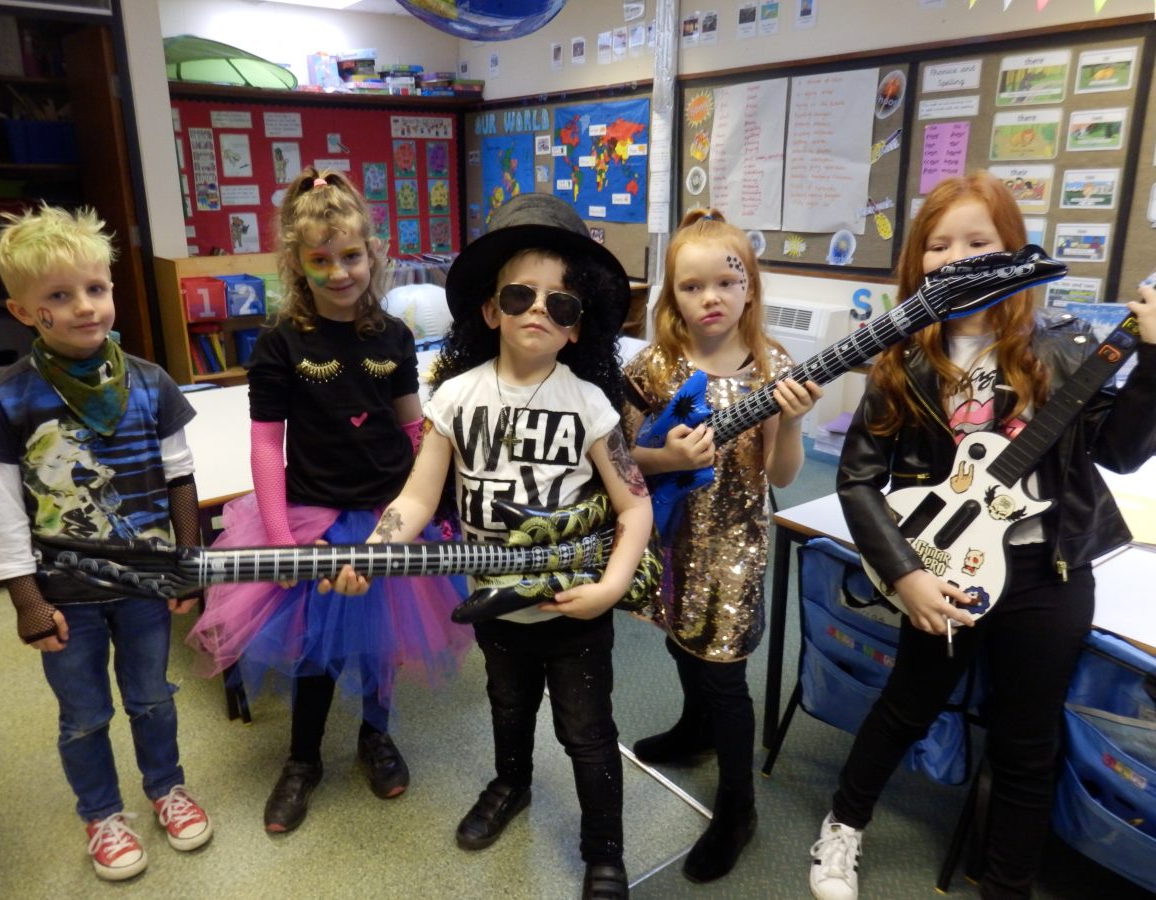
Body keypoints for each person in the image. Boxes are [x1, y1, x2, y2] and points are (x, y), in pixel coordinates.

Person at [807, 171, 1156, 900]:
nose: (957, 257)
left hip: (1048, 572)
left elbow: (1121, 453)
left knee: (1028, 741)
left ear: (1015, 251)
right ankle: (843, 823)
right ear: (918, 260)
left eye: (978, 242)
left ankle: (1007, 884)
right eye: (939, 245)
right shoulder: (903, 361)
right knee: (907, 706)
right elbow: (857, 481)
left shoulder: (1065, 347)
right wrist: (906, 575)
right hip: (941, 568)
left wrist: (1154, 361)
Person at [337, 192, 653, 900]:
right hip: (493, 603)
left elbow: (635, 505)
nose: (539, 309)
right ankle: (511, 784)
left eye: (560, 302)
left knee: (587, 733)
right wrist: (375, 550)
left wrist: (609, 589)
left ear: (577, 326)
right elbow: (417, 498)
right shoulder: (452, 398)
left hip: (576, 609)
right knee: (507, 707)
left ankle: (604, 850)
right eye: (519, 295)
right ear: (489, 310)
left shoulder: (590, 404)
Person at [186, 168, 471, 834]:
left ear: (373, 253)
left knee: (381, 640)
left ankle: (376, 734)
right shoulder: (281, 344)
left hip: (389, 516)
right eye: (321, 260)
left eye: (351, 255)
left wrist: (437, 505)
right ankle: (303, 759)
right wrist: (280, 539)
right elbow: (266, 446)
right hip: (313, 519)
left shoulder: (393, 336)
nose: (339, 272)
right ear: (296, 263)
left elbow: (412, 427)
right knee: (317, 648)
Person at [0, 204, 213, 881]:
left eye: (95, 288)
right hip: (65, 596)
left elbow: (181, 479)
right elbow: (2, 517)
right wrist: (26, 601)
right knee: (84, 715)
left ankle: (167, 788)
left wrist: (188, 564)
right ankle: (101, 814)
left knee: (153, 697)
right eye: (60, 295)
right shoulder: (7, 401)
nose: (84, 307)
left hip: (145, 586)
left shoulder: (151, 382)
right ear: (23, 311)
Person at [622, 208, 822, 883]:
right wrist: (667, 458)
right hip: (671, 535)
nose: (711, 298)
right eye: (691, 286)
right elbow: (621, 455)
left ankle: (738, 806)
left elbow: (782, 477)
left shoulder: (773, 367)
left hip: (735, 542)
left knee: (725, 671)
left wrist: (791, 424)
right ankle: (694, 729)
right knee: (681, 640)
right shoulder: (654, 366)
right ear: (671, 297)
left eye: (727, 282)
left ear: (750, 288)